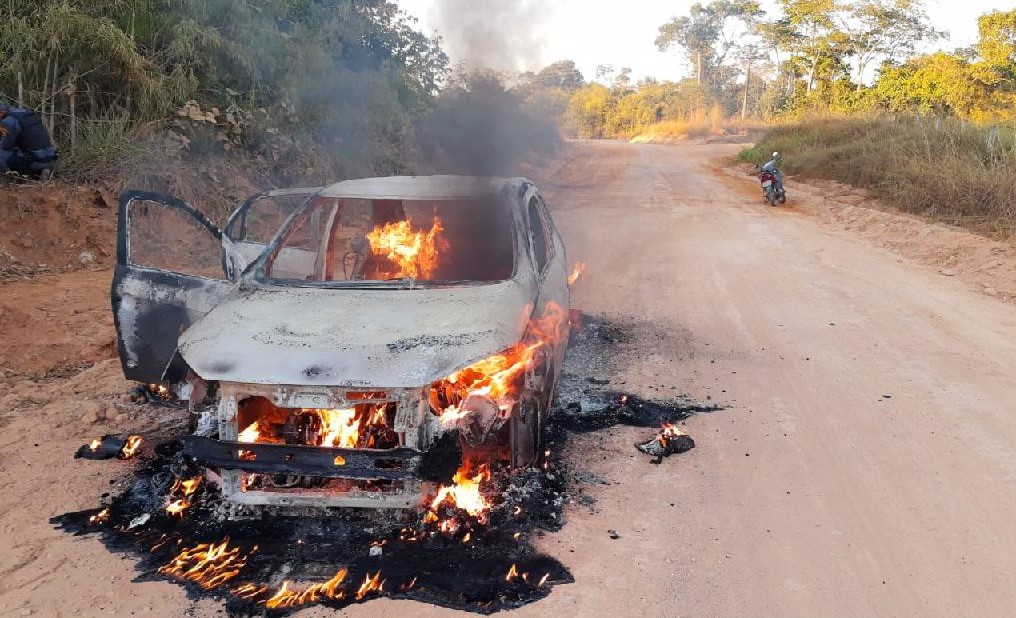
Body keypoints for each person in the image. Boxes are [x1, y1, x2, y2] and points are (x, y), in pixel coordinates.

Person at [0, 105, 58, 180]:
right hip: (50, 158)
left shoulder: (9, 122)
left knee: (2, 154)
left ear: (1, 112)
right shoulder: (26, 113)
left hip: (34, 161)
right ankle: (39, 172)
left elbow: (5, 146)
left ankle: (8, 177)